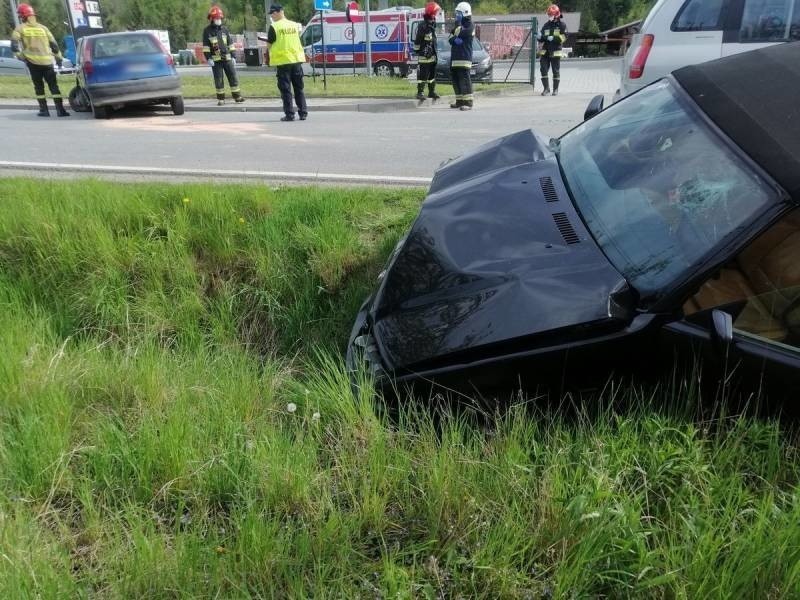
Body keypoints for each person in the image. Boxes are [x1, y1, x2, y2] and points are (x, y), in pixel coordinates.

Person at [11, 3, 69, 117]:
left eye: (20, 15)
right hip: (48, 62)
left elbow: (14, 46)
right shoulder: (43, 28)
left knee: (39, 87)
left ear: (23, 16)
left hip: (33, 63)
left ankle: (44, 110)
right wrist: (59, 59)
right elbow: (54, 45)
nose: (20, 18)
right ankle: (60, 110)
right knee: (54, 86)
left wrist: (21, 57)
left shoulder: (20, 29)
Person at [266, 4, 308, 121]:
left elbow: (269, 44)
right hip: (296, 61)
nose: (272, 16)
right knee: (299, 88)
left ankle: (290, 114)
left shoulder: (274, 27)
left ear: (279, 12)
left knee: (286, 90)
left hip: (283, 62)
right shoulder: (295, 25)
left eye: (273, 14)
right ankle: (303, 113)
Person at [203, 6, 245, 106]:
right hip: (216, 61)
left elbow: (230, 44)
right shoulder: (207, 31)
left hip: (227, 59)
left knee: (233, 77)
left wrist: (234, 56)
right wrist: (208, 58)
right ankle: (221, 99)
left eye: (220, 18)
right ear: (212, 19)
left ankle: (237, 97)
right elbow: (206, 46)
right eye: (217, 18)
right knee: (219, 80)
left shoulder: (224, 29)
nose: (219, 20)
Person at [449, 1, 475, 110]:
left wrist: (455, 35)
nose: (457, 15)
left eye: (458, 13)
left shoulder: (470, 25)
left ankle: (468, 102)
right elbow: (450, 38)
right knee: (456, 80)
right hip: (455, 58)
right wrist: (454, 37)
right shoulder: (458, 25)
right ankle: (459, 101)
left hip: (464, 58)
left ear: (465, 13)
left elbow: (460, 34)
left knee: (464, 80)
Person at [413, 2, 441, 104]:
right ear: (432, 13)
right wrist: (418, 51)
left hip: (433, 55)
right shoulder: (423, 26)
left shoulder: (432, 24)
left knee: (432, 76)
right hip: (424, 56)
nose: (436, 15)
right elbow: (418, 41)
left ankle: (431, 92)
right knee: (423, 76)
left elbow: (433, 40)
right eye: (435, 13)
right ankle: (420, 92)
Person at [538, 4, 567, 96]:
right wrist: (539, 37)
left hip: (555, 51)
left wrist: (553, 38)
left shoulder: (562, 25)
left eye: (551, 15)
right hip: (545, 51)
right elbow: (542, 37)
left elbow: (564, 37)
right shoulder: (546, 25)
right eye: (549, 15)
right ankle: (546, 89)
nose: (549, 16)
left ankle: (555, 89)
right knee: (543, 69)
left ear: (556, 15)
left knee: (555, 71)